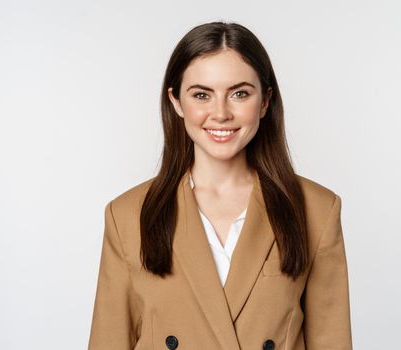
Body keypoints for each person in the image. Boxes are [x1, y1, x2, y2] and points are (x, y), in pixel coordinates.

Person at [88, 21, 352, 350]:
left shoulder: (316, 210)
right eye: (202, 95)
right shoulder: (127, 215)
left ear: (266, 101)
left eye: (240, 93)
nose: (221, 113)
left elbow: (332, 342)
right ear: (176, 102)